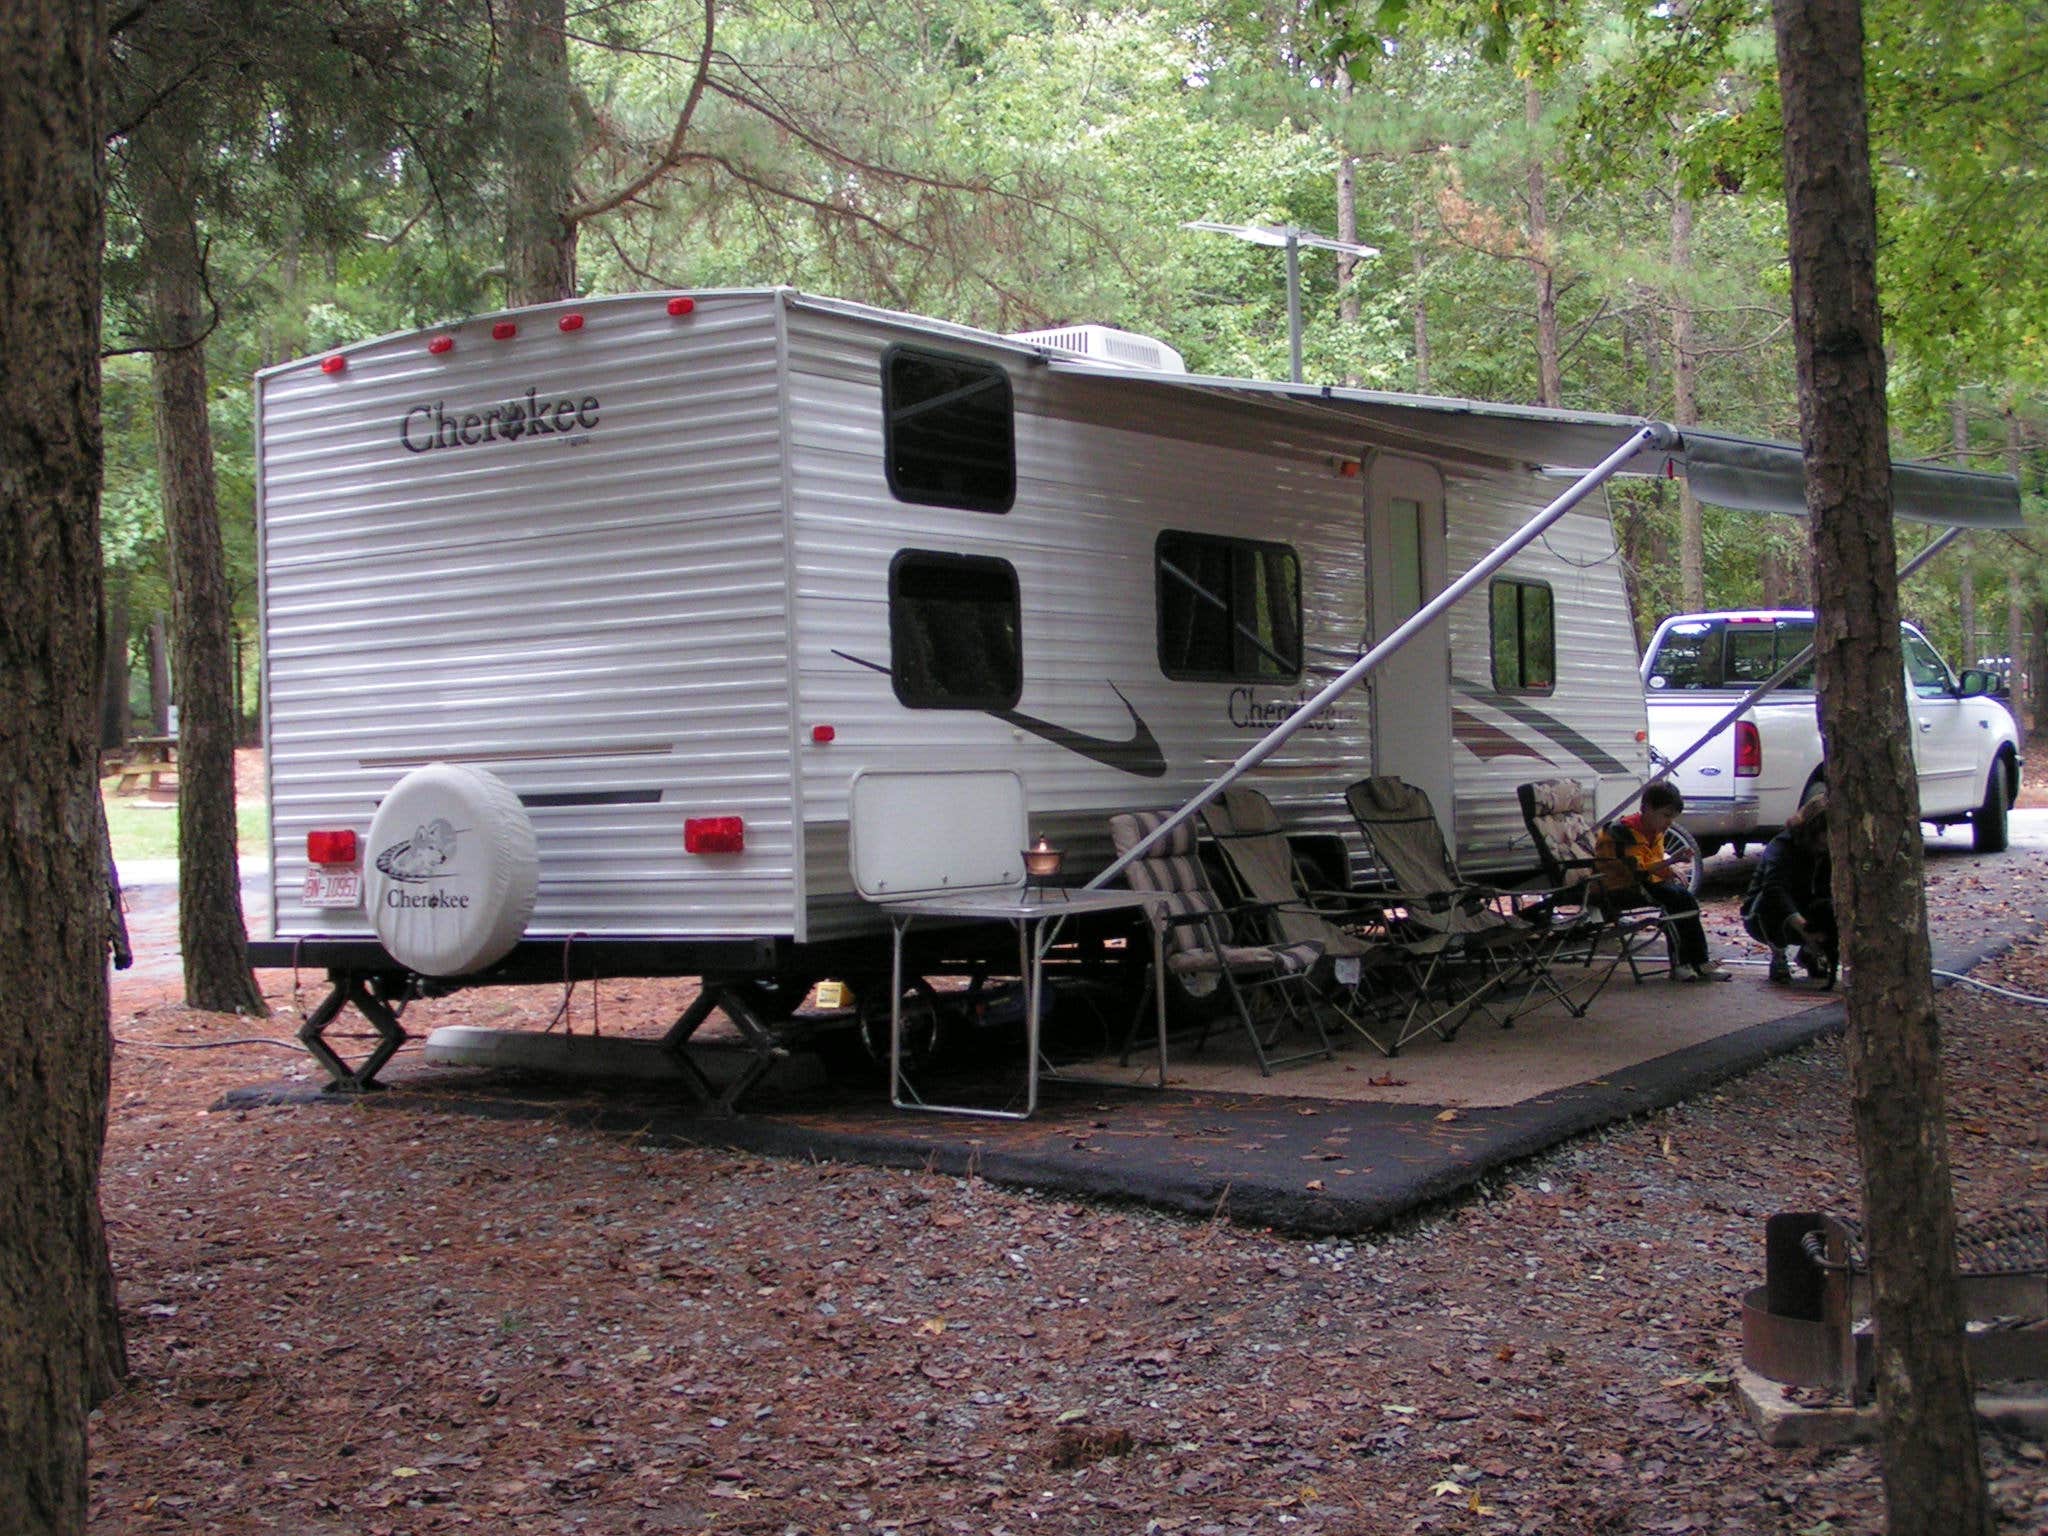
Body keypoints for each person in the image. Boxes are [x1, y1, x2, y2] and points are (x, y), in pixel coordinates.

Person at [1596, 781, 1730, 982]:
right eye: (1666, 815)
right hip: (1621, 886)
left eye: (1672, 817)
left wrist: (1671, 869)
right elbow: (1638, 870)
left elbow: (1655, 865)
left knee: (1686, 900)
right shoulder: (1622, 832)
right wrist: (1672, 861)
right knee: (1675, 902)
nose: (1669, 822)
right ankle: (1681, 963)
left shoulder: (1655, 831)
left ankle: (1699, 960)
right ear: (1646, 809)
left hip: (1645, 883)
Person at [1742, 794, 1836, 984]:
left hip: (1808, 907)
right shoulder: (1783, 845)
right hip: (1766, 915)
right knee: (1771, 898)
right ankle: (1778, 954)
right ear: (1815, 828)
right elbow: (1773, 888)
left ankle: (1811, 954)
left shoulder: (1832, 852)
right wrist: (1805, 930)